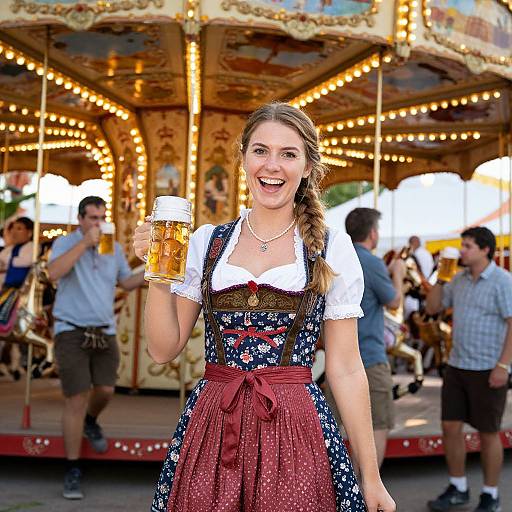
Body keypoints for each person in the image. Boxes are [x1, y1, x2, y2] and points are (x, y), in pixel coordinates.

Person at [133, 103, 395, 512]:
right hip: (214, 425)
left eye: (288, 154)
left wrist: (371, 476)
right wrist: (157, 273)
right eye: (260, 150)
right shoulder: (207, 242)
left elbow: (345, 368)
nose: (271, 166)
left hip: (296, 430)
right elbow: (163, 350)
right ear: (243, 159)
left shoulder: (331, 248)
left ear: (308, 166)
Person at [47, 196, 144, 500]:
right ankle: (72, 469)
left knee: (105, 391)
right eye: (92, 218)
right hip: (71, 330)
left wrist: (155, 267)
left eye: (101, 217)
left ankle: (91, 421)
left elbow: (127, 283)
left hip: (104, 331)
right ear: (80, 219)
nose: (98, 223)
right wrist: (84, 244)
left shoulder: (113, 248)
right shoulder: (65, 243)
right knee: (76, 397)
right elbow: (53, 274)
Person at [426, 227, 512, 512]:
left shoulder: (502, 281)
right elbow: (433, 307)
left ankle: (491, 495)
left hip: (488, 368)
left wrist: (503, 366)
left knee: (488, 432)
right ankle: (458, 487)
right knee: (450, 427)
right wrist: (440, 276)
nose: (461, 250)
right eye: (461, 245)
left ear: (485, 249)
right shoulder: (457, 279)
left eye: (467, 246)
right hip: (457, 366)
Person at [344, 207, 406, 469]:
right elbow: (393, 301)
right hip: (369, 355)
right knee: (377, 424)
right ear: (372, 233)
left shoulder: (337, 257)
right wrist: (399, 275)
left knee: (344, 427)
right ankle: (369, 489)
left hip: (341, 357)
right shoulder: (371, 262)